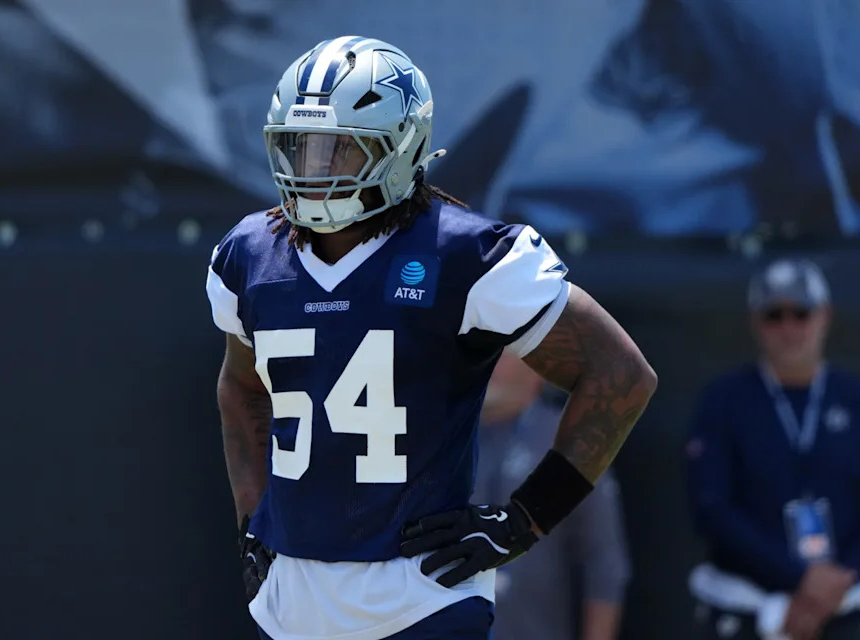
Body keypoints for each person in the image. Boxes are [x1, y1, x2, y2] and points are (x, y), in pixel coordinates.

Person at [207, 36, 657, 640]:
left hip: (418, 599)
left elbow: (621, 374)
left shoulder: (466, 253)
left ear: (401, 148)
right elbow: (241, 386)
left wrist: (524, 519)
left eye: (340, 149)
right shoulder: (250, 254)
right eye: (300, 146)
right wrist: (252, 521)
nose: (313, 170)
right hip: (290, 602)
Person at [686, 259, 860, 640]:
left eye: (801, 313)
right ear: (755, 322)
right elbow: (711, 509)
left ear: (825, 316)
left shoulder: (852, 397)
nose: (789, 328)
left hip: (847, 604)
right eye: (774, 316)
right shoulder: (724, 401)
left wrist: (837, 580)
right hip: (746, 606)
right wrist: (799, 577)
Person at [474, 350, 631, 640]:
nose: (490, 359)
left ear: (540, 368)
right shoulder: (439, 439)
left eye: (505, 349)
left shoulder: (569, 442)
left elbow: (604, 563)